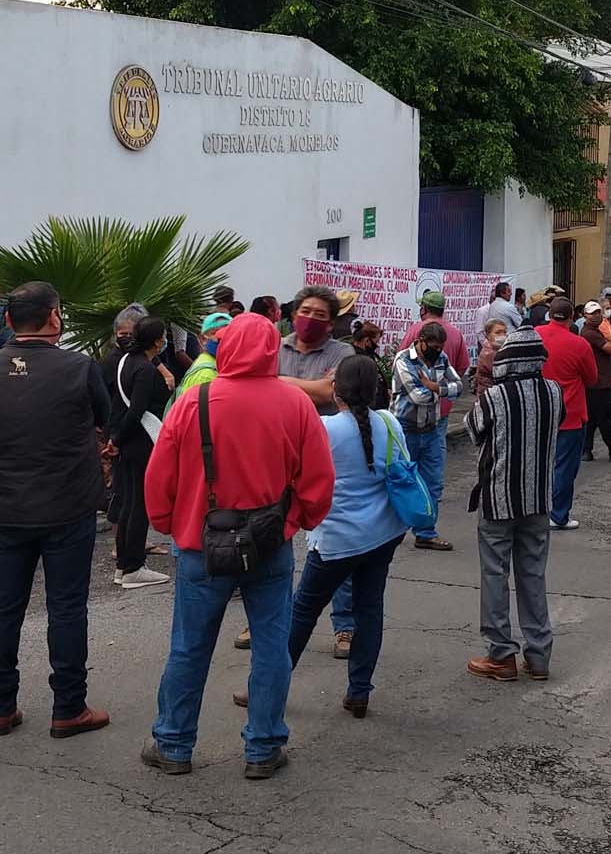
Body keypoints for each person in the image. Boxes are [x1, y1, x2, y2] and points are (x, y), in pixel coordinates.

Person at [141, 313, 334, 780]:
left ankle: (173, 743)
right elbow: (318, 481)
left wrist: (171, 524)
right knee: (271, 647)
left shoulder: (193, 402)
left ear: (224, 347)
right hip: (270, 544)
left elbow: (159, 475)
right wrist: (297, 520)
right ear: (272, 349)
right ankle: (263, 747)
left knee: (189, 647)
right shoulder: (295, 404)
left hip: (199, 544)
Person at [0, 282, 112, 740]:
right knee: (66, 607)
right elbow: (105, 420)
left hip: (6, 507)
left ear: (8, 321)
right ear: (54, 318)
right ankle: (69, 707)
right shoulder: (79, 367)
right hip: (68, 506)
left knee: (3, 607)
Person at [228, 354, 407, 722]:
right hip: (383, 533)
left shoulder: (324, 428)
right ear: (375, 389)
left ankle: (267, 688)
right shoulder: (389, 422)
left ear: (335, 390)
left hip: (337, 539)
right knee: (369, 609)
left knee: (301, 611)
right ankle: (359, 692)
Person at [466, 327, 562, 680]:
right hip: (538, 499)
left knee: (495, 574)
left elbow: (474, 431)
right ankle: (539, 658)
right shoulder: (553, 392)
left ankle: (501, 655)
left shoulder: (494, 397)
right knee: (533, 575)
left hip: (498, 499)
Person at [107, 312, 177, 590]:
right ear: (158, 342)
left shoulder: (126, 361)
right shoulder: (146, 370)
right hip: (140, 441)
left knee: (127, 502)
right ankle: (134, 566)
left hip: (125, 441)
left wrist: (115, 438)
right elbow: (136, 410)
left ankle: (124, 566)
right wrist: (120, 439)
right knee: (138, 505)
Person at [390, 320, 462, 549]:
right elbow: (417, 396)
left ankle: (426, 533)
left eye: (440, 346)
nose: (437, 350)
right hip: (405, 429)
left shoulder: (441, 359)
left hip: (431, 429)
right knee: (402, 480)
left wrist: (434, 387)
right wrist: (440, 391)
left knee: (433, 483)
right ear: (421, 341)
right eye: (432, 345)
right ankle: (390, 530)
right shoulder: (403, 360)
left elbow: (459, 386)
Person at [536, 298, 599, 531]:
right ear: (572, 317)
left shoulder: (534, 335)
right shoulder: (579, 344)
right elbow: (591, 378)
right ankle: (558, 514)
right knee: (564, 467)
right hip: (569, 412)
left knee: (537, 464)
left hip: (538, 410)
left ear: (548, 314)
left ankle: (533, 511)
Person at [279, 286, 353, 412]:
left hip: (322, 428)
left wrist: (275, 381)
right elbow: (259, 387)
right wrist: (315, 387)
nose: (310, 318)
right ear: (294, 317)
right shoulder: (275, 347)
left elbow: (328, 393)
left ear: (330, 324)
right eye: (305, 311)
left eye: (320, 314)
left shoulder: (342, 352)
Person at [578, 301, 611, 464]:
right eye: (593, 313)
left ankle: (586, 449)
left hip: (598, 381)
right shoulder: (590, 333)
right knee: (605, 418)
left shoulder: (593, 331)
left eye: (599, 312)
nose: (598, 315)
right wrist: (610, 338)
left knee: (592, 418)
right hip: (598, 382)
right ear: (585, 316)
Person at [176, 312, 229, 395]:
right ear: (203, 339)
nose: (221, 337)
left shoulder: (214, 363)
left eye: (227, 334)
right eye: (214, 333)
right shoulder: (206, 375)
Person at [475, 317, 509, 393]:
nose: (502, 335)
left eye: (504, 332)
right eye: (498, 332)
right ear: (488, 335)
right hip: (489, 394)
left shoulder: (499, 349)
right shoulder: (489, 353)